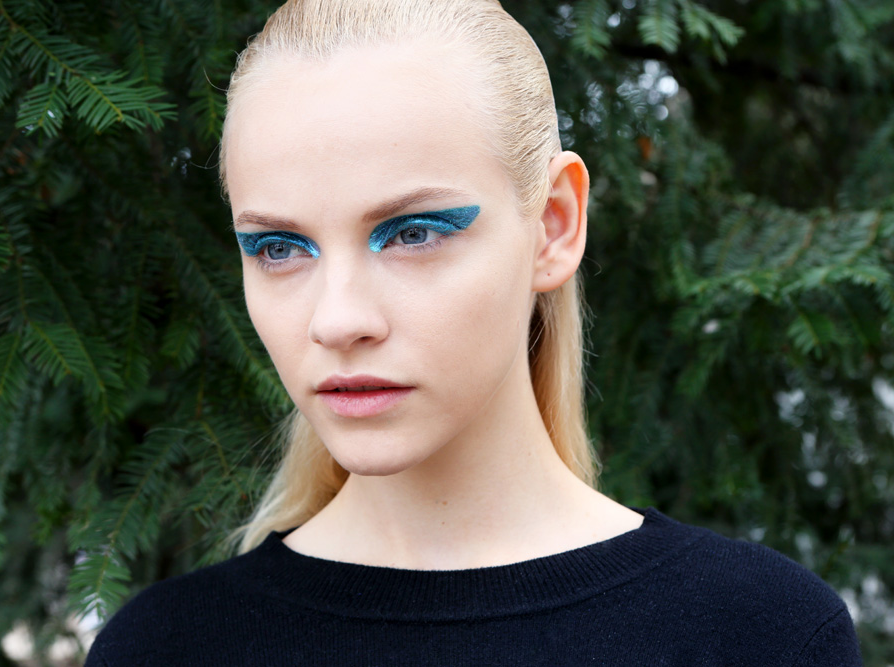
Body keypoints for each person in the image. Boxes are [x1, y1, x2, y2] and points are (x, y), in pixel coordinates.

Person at [85, 1, 861, 664]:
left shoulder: (761, 633)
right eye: (279, 248)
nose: (338, 319)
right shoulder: (163, 648)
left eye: (413, 233)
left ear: (554, 225)